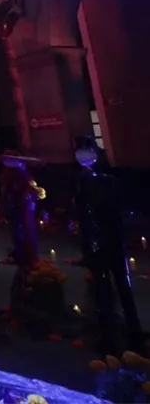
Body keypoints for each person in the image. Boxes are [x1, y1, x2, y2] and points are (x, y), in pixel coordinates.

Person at [74, 146, 143, 352]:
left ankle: (114, 335)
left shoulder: (91, 183)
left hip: (103, 239)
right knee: (116, 286)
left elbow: (87, 213)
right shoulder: (94, 181)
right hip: (110, 239)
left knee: (107, 286)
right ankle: (128, 333)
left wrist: (91, 239)